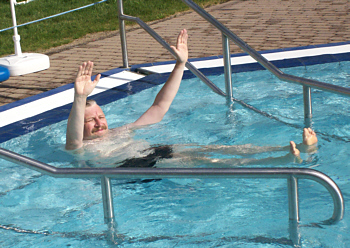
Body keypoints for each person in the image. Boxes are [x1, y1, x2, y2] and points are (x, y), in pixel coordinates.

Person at [65, 29, 318, 168]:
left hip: (155, 152)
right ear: (80, 123)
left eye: (101, 116)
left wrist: (180, 65)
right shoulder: (81, 147)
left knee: (218, 150)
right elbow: (75, 138)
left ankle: (287, 150)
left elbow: (159, 106)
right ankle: (282, 161)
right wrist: (80, 98)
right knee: (209, 162)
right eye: (91, 120)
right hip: (136, 166)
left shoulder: (121, 131)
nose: (99, 122)